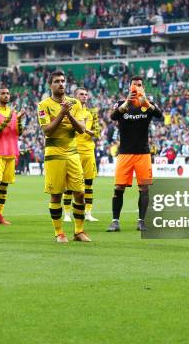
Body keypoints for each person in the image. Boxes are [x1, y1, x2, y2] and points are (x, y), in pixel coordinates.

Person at [37, 70, 91, 243]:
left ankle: (79, 231)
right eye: (56, 81)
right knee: (56, 195)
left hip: (73, 153)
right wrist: (62, 114)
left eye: (63, 81)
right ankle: (59, 233)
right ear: (50, 85)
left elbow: (82, 129)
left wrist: (68, 114)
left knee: (80, 193)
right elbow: (47, 130)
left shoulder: (75, 104)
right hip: (54, 154)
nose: (61, 84)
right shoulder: (43, 105)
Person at [107, 76, 163, 232]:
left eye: (140, 85)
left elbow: (159, 115)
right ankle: (115, 221)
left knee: (144, 188)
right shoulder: (120, 104)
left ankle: (141, 221)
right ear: (129, 87)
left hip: (143, 154)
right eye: (134, 85)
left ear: (143, 87)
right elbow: (113, 116)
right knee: (118, 188)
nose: (137, 88)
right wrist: (127, 102)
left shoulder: (148, 105)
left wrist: (146, 102)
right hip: (124, 153)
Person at [0, 87, 25, 226]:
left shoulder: (13, 113)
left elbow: (18, 132)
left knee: (4, 186)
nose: (6, 95)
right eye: (3, 93)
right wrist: (9, 118)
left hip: (11, 152)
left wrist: (19, 119)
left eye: (8, 93)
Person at [63, 87, 101, 223]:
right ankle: (67, 214)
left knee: (89, 183)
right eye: (81, 94)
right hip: (73, 151)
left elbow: (97, 132)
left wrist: (88, 130)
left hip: (88, 152)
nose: (84, 96)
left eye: (86, 94)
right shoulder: (69, 112)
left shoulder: (92, 113)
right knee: (69, 185)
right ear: (75, 96)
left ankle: (88, 213)